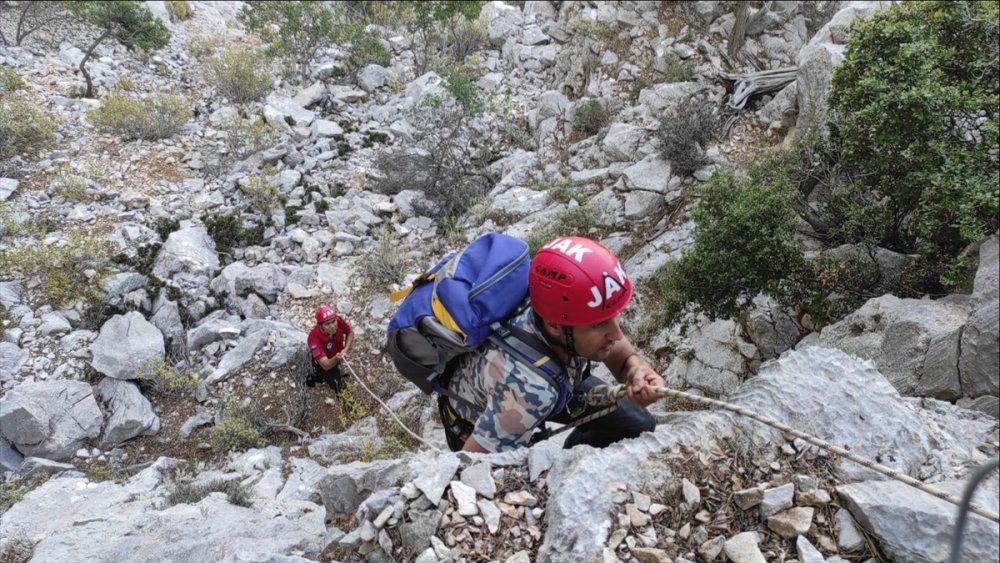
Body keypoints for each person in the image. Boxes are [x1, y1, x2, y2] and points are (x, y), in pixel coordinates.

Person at [439, 236, 665, 453]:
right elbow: (468, 469)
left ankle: (573, 454)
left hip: (552, 378)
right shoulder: (529, 389)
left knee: (635, 423)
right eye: (599, 324)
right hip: (490, 420)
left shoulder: (557, 308)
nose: (616, 334)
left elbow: (624, 360)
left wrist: (636, 368)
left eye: (615, 316)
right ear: (555, 326)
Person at [307, 305, 354, 392]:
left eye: (333, 322)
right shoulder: (313, 340)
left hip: (336, 355)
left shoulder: (338, 321)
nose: (332, 326)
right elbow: (326, 365)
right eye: (327, 324)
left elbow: (349, 332)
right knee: (339, 387)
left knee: (332, 373)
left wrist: (345, 349)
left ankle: (320, 377)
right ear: (320, 325)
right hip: (324, 362)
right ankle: (313, 379)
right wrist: (336, 358)